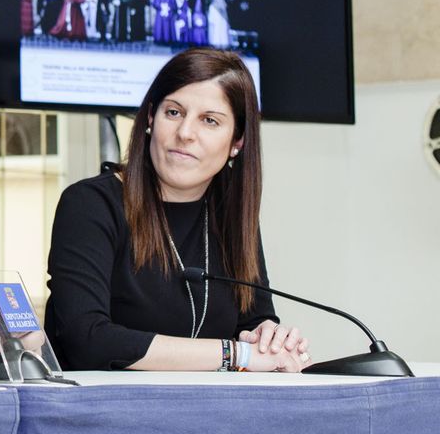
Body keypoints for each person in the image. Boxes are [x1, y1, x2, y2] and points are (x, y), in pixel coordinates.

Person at [44, 47, 309, 371]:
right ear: (151, 118)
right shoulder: (91, 204)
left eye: (209, 120)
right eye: (174, 112)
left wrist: (270, 340)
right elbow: (88, 339)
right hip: (104, 413)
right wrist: (235, 354)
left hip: (212, 414)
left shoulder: (231, 216)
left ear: (237, 141)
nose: (185, 133)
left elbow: (255, 320)